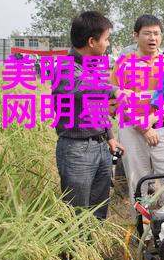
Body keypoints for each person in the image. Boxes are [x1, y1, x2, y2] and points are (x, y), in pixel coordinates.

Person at [53, 11, 131, 219]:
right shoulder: (65, 67)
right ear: (91, 41)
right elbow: (81, 86)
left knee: (99, 209)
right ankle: (77, 243)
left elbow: (97, 106)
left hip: (100, 147)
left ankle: (95, 240)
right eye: (106, 39)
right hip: (77, 150)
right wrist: (114, 90)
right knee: (76, 212)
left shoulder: (93, 66)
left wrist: (110, 137)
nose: (107, 43)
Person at [111, 14, 164, 206]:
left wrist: (151, 121)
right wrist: (143, 127)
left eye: (156, 34)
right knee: (138, 181)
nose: (153, 38)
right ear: (136, 36)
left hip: (160, 127)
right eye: (147, 33)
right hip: (131, 130)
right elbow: (118, 101)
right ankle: (142, 222)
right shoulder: (123, 63)